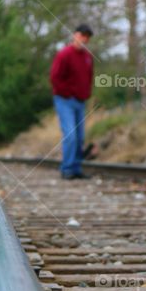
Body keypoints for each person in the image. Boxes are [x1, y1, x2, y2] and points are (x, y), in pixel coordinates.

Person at [50, 24, 94, 180]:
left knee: (80, 137)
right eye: (82, 35)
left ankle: (76, 168)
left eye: (87, 37)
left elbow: (89, 77)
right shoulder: (64, 54)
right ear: (75, 35)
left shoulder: (87, 57)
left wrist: (86, 93)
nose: (84, 39)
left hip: (80, 101)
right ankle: (67, 169)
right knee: (70, 135)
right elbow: (55, 77)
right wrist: (67, 93)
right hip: (65, 100)